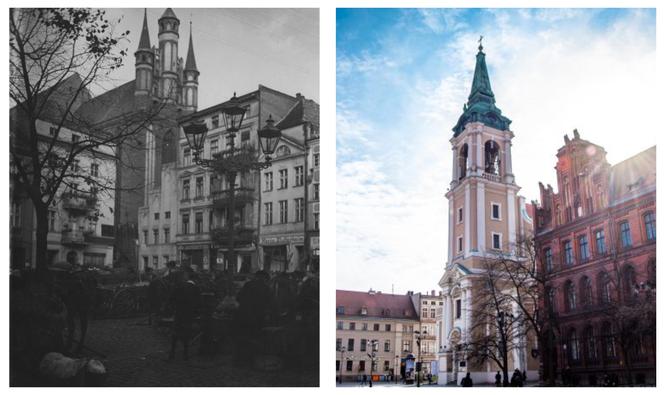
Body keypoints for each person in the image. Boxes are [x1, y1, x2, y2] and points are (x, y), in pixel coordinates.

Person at [169, 269, 200, 360]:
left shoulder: (179, 286)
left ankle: (172, 352)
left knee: (175, 333)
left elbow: (171, 298)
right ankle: (185, 354)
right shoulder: (196, 288)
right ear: (195, 280)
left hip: (179, 313)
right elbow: (199, 302)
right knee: (186, 333)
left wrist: (175, 307)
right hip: (188, 314)